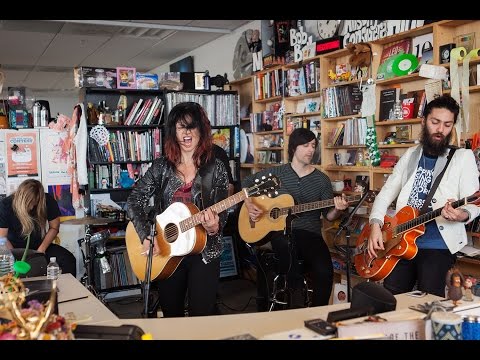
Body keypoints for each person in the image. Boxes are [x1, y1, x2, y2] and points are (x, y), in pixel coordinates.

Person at [368, 95, 480, 297]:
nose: (440, 130)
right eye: (435, 122)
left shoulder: (463, 157)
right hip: (400, 242)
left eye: (447, 124)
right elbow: (385, 194)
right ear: (424, 121)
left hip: (437, 244)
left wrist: (461, 214)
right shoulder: (411, 154)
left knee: (428, 301)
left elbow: (474, 204)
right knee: (390, 297)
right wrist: (375, 225)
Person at [127, 102, 229, 318]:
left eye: (191, 126)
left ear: (202, 130)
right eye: (180, 127)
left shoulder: (216, 167)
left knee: (201, 315)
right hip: (167, 250)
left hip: (204, 251)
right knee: (171, 314)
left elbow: (223, 213)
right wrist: (146, 235)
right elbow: (134, 201)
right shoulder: (161, 167)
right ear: (173, 131)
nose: (186, 133)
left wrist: (213, 226)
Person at [242, 128, 348, 309]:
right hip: (280, 233)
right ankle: (295, 293)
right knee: (284, 242)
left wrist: (338, 210)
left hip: (310, 234)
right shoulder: (277, 174)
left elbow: (329, 217)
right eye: (305, 145)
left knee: (324, 271)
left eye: (313, 146)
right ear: (293, 148)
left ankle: (317, 314)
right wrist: (250, 204)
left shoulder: (321, 180)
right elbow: (246, 184)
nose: (310, 150)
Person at [0, 179, 76, 275]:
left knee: (68, 259)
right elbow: (2, 238)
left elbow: (54, 227)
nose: (31, 207)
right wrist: (14, 257)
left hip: (40, 245)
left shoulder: (47, 200)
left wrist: (41, 251)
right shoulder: (5, 205)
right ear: (20, 198)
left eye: (34, 203)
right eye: (29, 203)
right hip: (15, 248)